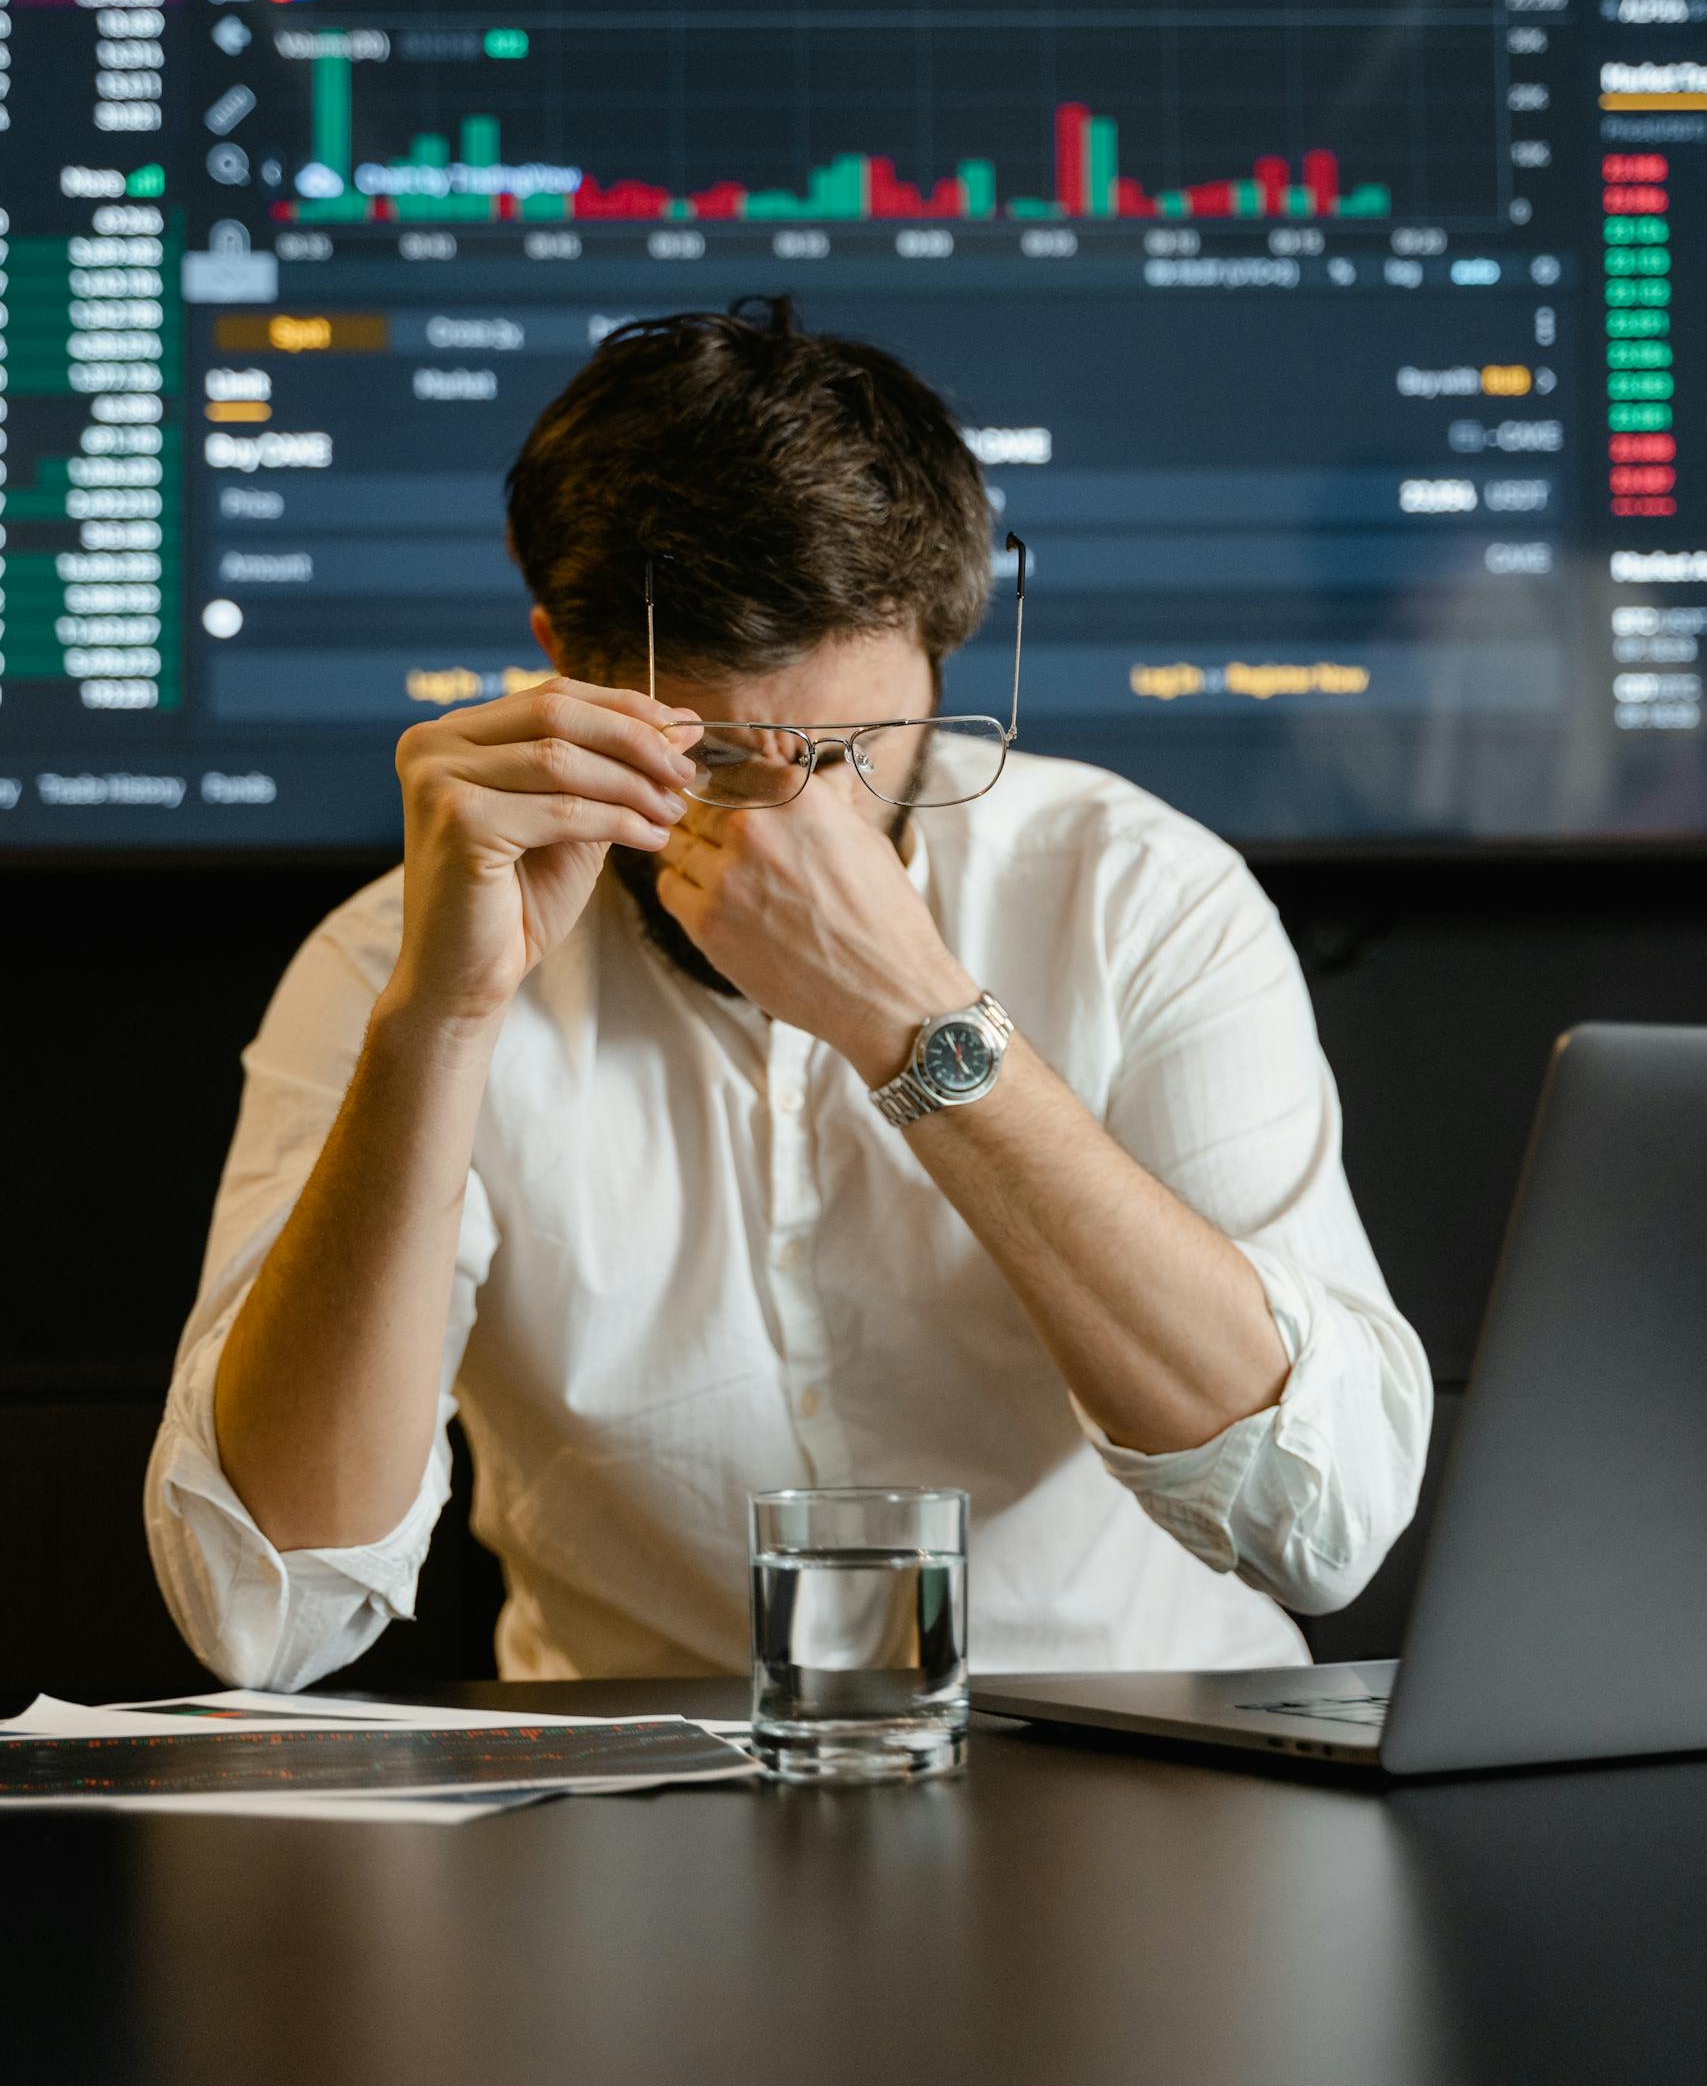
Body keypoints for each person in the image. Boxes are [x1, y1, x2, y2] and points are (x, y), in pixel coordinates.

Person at [146, 300, 1430, 1690]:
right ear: (560, 662)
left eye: (857, 748)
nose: (784, 833)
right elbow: (262, 1611)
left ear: (943, 669)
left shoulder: (1140, 894)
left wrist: (915, 1020)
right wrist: (441, 1031)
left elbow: (1328, 1522)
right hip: (646, 1809)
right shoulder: (386, 964)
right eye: (708, 755)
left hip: (1158, 1760)